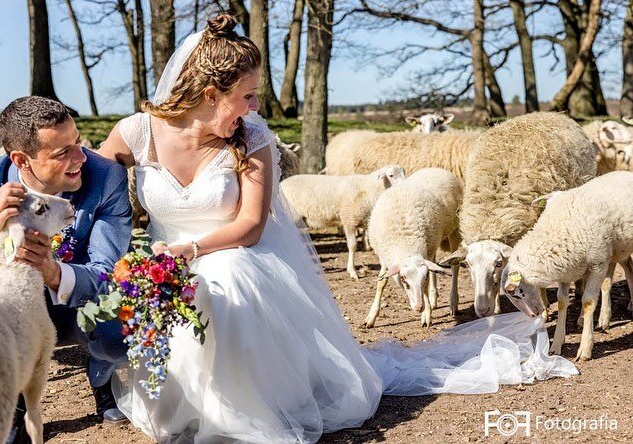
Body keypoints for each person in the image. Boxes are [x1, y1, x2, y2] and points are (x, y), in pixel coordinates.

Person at [99, 14, 577, 444]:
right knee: (166, 294)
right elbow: (89, 185)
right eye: (246, 96)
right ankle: (181, 398)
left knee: (227, 279)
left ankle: (240, 409)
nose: (254, 105)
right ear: (210, 95)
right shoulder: (137, 133)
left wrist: (190, 249)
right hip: (166, 258)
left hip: (233, 251)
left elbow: (248, 226)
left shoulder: (254, 138)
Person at [0, 96, 133, 442]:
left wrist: (52, 271)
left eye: (77, 143)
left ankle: (101, 372)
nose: (80, 158)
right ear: (21, 160)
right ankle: (10, 394)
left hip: (74, 305)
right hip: (8, 316)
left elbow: (105, 272)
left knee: (119, 332)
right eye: (63, 153)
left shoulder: (106, 180)